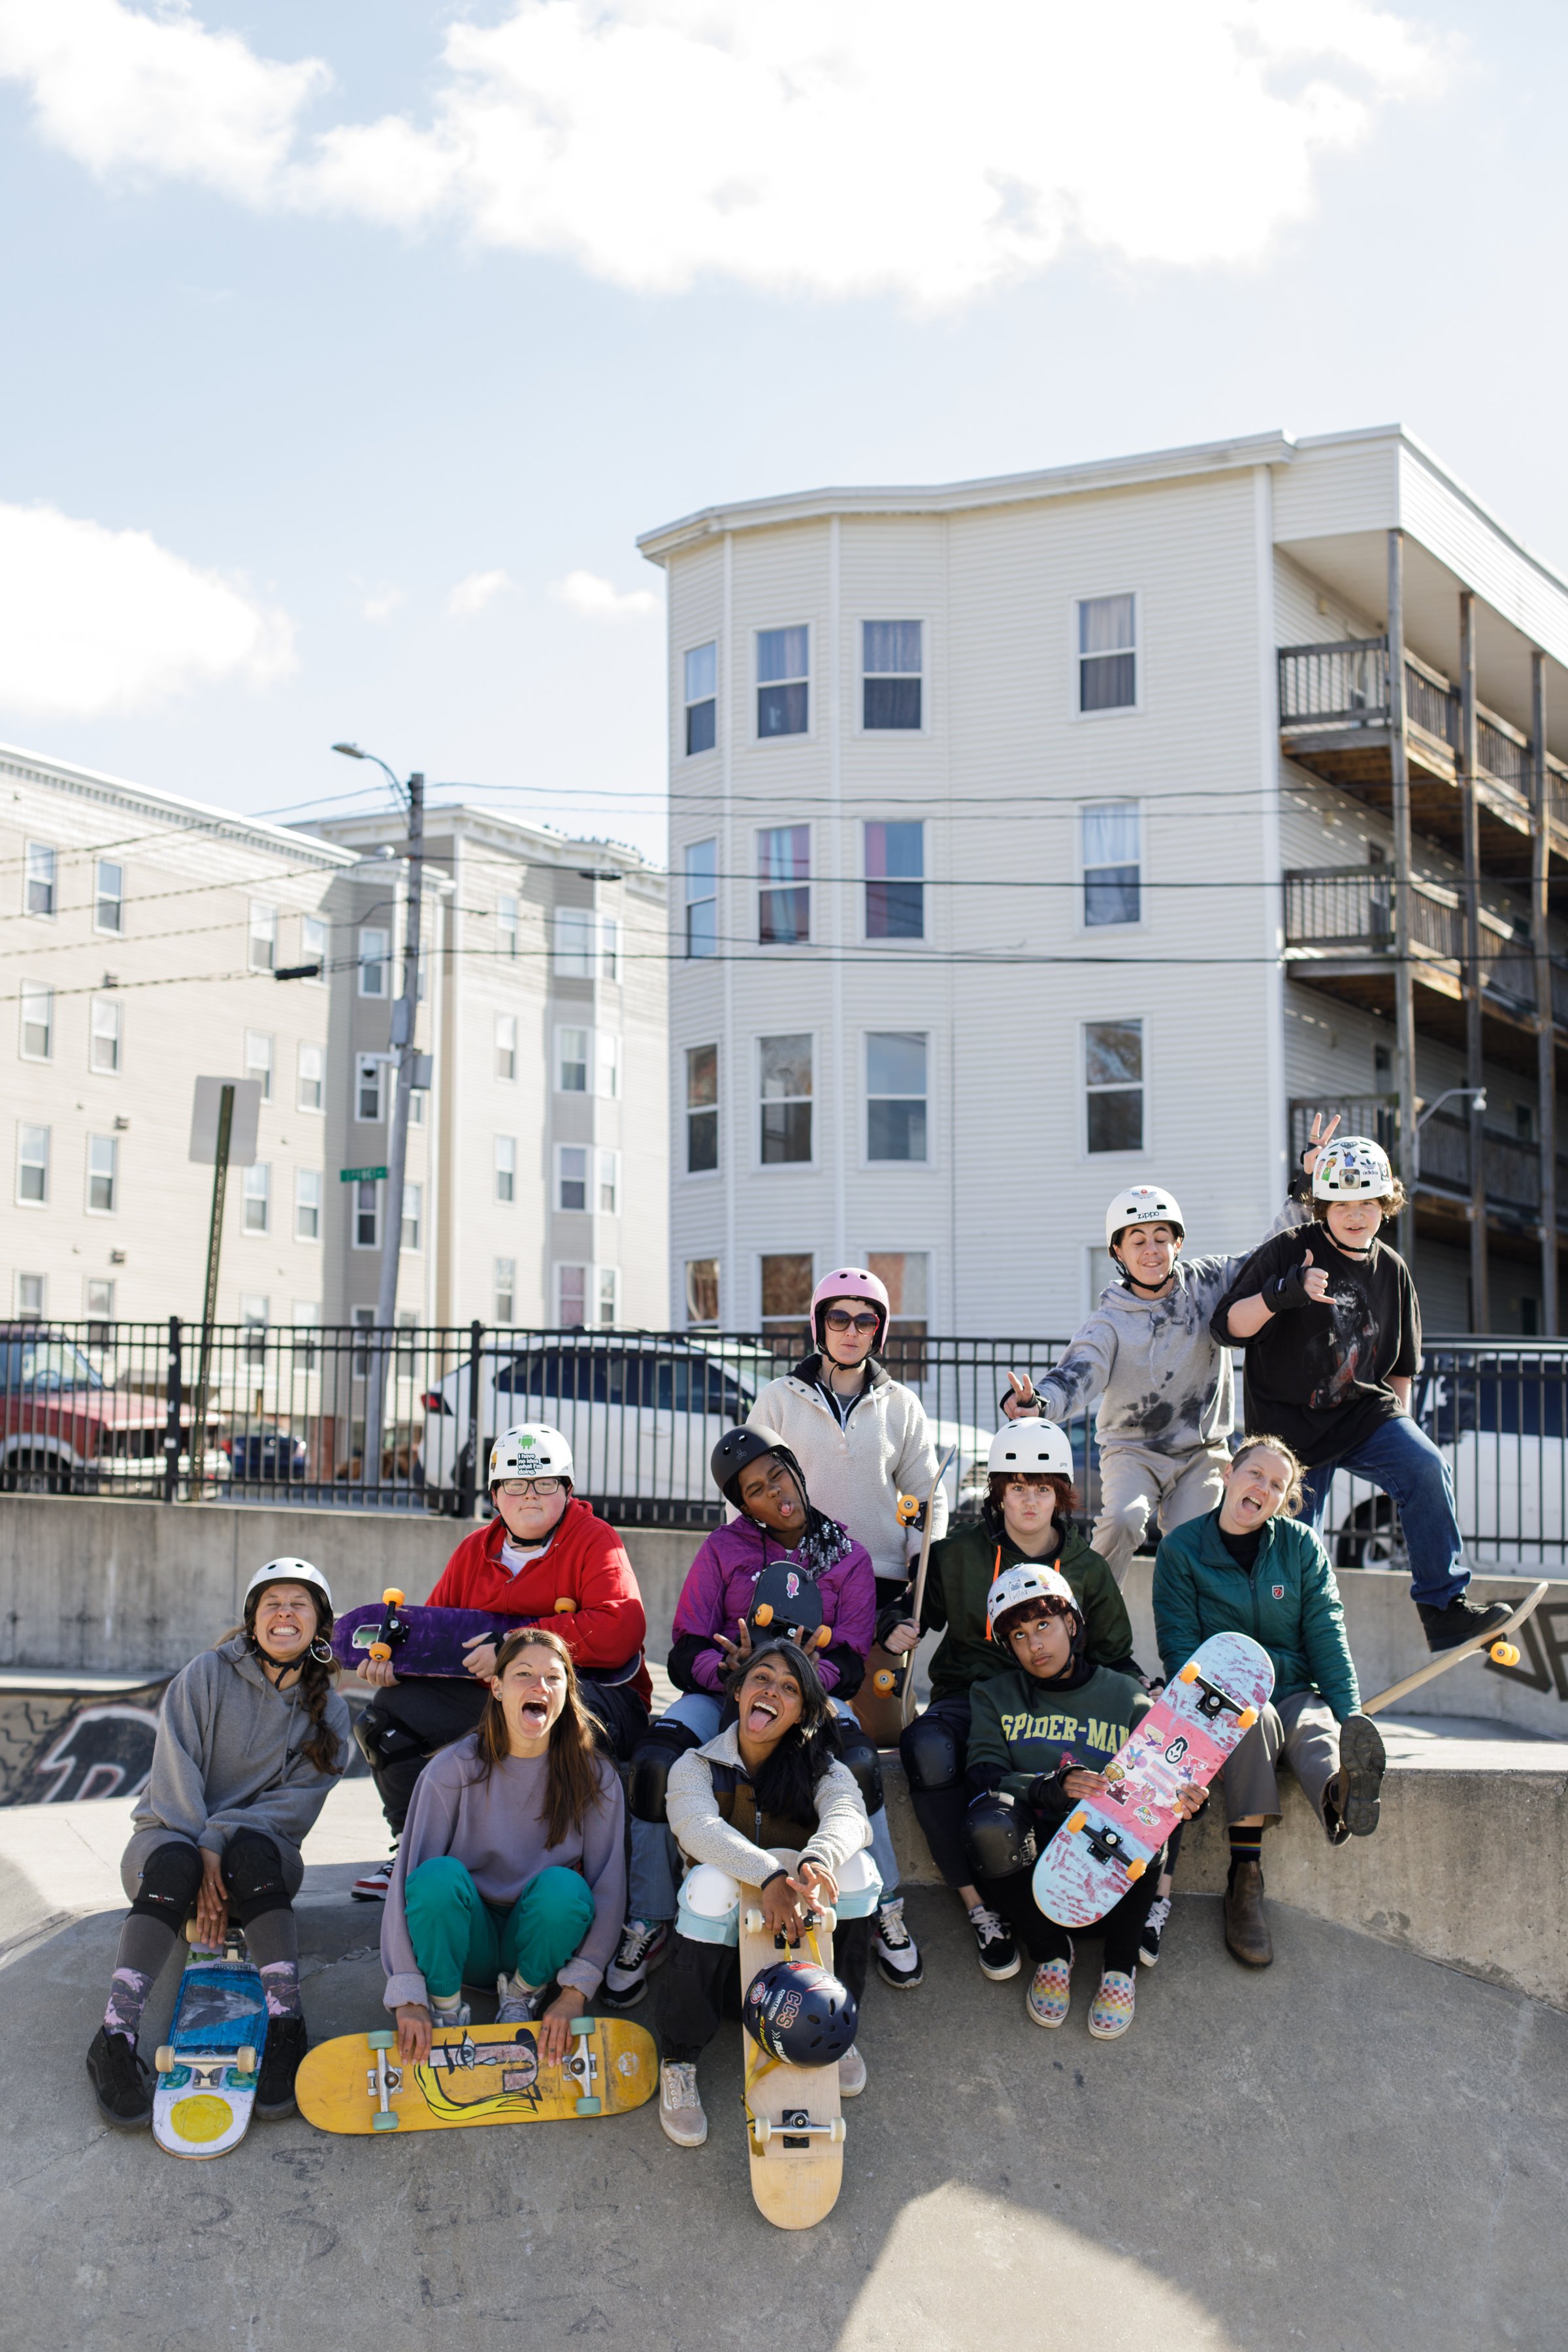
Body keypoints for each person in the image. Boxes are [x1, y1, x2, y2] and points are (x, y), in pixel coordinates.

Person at [618, 1426, 920, 2003]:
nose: (774, 1494)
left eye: (777, 1475)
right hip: (725, 1692)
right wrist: (731, 1674)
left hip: (806, 1696)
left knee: (857, 1763)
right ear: (744, 1505)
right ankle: (649, 1917)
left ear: (794, 1468)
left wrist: (801, 1680)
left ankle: (883, 1906)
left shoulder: (847, 1556)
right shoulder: (723, 1549)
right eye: (754, 1490)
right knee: (656, 1761)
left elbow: (851, 1660)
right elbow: (685, 1647)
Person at [1213, 1135, 1514, 1655]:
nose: (1356, 1216)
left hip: (1363, 1415)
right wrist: (1281, 1293)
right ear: (1323, 1206)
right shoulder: (1290, 1249)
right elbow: (1226, 1327)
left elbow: (1401, 1370)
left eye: (1368, 1204)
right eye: (1343, 1205)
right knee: (1293, 1547)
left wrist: (1403, 1432)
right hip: (1289, 1434)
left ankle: (1444, 1609)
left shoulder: (1393, 1270)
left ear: (1386, 1205)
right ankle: (1283, 1650)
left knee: (1424, 1466)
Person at [999, 1121, 1331, 1584]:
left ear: (1179, 1243)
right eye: (1138, 1240)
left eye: (1161, 1237)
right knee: (1123, 1522)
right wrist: (1039, 1405)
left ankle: (1197, 1640)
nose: (1151, 1250)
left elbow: (1272, 1253)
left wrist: (1307, 1185)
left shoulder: (1210, 1282)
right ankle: (1083, 1616)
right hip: (1133, 1450)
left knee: (1193, 1542)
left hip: (1201, 1451)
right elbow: (1079, 1372)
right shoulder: (1111, 1318)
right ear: (1118, 1250)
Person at [86, 1559, 350, 2129]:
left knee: (250, 1850)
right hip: (168, 1838)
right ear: (252, 1619)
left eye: (299, 1603)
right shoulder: (206, 1674)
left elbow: (294, 1809)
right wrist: (201, 1848)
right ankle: (114, 2035)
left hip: (259, 1857)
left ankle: (286, 2026)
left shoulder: (333, 1714)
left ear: (319, 1624)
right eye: (271, 1602)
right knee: (177, 1861)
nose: (284, 1613)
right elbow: (173, 1767)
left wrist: (220, 1844)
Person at [351, 1423, 650, 1903]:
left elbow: (620, 1630)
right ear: (496, 1495)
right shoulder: (474, 1551)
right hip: (497, 1696)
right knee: (385, 1715)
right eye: (516, 1484)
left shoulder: (596, 1540)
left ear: (568, 1491)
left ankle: (562, 1855)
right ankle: (415, 1846)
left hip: (597, 1699)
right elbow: (436, 1640)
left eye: (545, 1483)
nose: (530, 1496)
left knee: (531, 1705)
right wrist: (398, 1665)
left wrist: (512, 1646)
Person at [895, 1421, 1143, 1978]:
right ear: (999, 1492)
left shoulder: (1087, 1568)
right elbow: (912, 1613)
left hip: (1057, 1705)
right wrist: (896, 1627)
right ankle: (979, 1909)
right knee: (929, 1746)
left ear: (1061, 1494)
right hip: (971, 1695)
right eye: (1017, 1487)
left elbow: (1115, 1656)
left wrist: (1143, 1696)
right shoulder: (957, 1552)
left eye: (1043, 1487)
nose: (1029, 1500)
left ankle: (1116, 1906)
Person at [1152, 1435, 1388, 1968]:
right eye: (1255, 1474)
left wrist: (1353, 1716)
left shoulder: (1301, 1548)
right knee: (1250, 1723)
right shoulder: (1181, 1549)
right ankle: (1246, 1879)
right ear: (1231, 1474)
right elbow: (1179, 1647)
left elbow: (1327, 1634)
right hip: (1225, 1699)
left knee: (1316, 1724)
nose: (1264, 1488)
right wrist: (1211, 1706)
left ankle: (1341, 1792)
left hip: (1293, 1687)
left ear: (1285, 1500)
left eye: (1278, 1485)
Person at [653, 1640, 878, 2148]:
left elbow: (848, 1816)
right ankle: (680, 2058)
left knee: (858, 1869)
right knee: (708, 1883)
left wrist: (815, 1862)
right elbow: (696, 1828)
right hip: (724, 1967)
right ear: (738, 1691)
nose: (771, 1690)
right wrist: (769, 1877)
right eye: (762, 1678)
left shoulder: (823, 1769)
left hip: (800, 1951)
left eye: (789, 1688)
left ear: (803, 1711)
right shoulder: (696, 1765)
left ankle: (835, 2027)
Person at [963, 1565, 1204, 2038]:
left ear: (1071, 1624)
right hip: (1032, 1867)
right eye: (1018, 1635)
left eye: (1044, 1626)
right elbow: (984, 1775)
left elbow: (1164, 1781)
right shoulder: (993, 1695)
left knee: (1148, 1815)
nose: (1034, 1645)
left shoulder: (1124, 1695)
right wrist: (1047, 1786)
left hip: (1111, 1867)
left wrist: (1193, 1800)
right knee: (986, 1824)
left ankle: (1119, 1968)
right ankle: (1052, 1954)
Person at [381, 1626, 626, 2065]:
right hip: (464, 1939)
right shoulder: (452, 1769)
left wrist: (575, 1992)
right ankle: (446, 2008)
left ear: (568, 1691)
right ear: (496, 1686)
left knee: (566, 1890)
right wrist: (408, 1993)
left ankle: (521, 1997)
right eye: (524, 1675)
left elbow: (609, 1887)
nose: (540, 1687)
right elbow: (407, 1881)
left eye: (554, 1678)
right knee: (436, 1878)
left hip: (536, 1944)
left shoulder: (595, 1776)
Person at [745, 1267, 947, 1624]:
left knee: (874, 1681)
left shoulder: (902, 1404)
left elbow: (927, 1491)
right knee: (801, 1680)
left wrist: (922, 1559)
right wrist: (748, 1561)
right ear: (820, 1324)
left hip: (880, 1578)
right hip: (796, 1574)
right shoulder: (778, 1398)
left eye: (865, 1321)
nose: (852, 1331)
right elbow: (746, 1486)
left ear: (878, 1331)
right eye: (839, 1318)